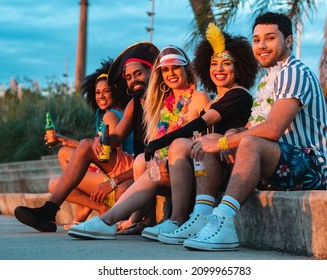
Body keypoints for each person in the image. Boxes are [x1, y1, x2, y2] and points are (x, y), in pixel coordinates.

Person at [181, 12, 327, 251]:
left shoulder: (294, 72)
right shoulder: (270, 77)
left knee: (244, 143)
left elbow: (272, 130)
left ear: (289, 41)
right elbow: (254, 127)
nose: (262, 45)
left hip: (313, 166)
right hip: (279, 160)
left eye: (270, 38)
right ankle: (202, 214)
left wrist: (225, 143)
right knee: (209, 139)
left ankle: (224, 221)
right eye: (256, 39)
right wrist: (228, 136)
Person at [66, 46, 210, 240]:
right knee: (143, 161)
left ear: (187, 69)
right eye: (165, 70)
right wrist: (103, 140)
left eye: (175, 67)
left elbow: (205, 139)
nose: (171, 74)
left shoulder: (198, 97)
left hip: (191, 168)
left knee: (152, 165)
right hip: (167, 168)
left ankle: (169, 219)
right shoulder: (164, 104)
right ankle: (118, 220)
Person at [14, 42, 159, 233]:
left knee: (123, 190)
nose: (133, 80)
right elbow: (117, 137)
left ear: (152, 71)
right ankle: (49, 210)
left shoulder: (162, 100)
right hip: (137, 166)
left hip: (149, 167)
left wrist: (113, 182)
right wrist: (103, 140)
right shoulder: (135, 103)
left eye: (138, 74)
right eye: (129, 77)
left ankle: (105, 215)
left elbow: (150, 157)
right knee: (85, 145)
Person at [142, 23, 259, 241]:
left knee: (190, 143)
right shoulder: (217, 99)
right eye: (214, 64)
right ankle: (186, 217)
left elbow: (198, 124)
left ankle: (189, 217)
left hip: (231, 164)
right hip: (212, 163)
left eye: (227, 64)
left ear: (239, 68)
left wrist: (157, 144)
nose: (219, 69)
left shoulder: (238, 95)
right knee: (188, 145)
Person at [46, 59, 133, 229]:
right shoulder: (120, 112)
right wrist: (66, 140)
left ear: (116, 91)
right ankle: (91, 208)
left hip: (119, 174)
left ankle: (99, 208)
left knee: (56, 182)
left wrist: (108, 180)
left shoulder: (111, 116)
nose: (101, 96)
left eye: (106, 91)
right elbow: (97, 149)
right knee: (65, 152)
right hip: (120, 168)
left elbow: (110, 155)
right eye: (97, 92)